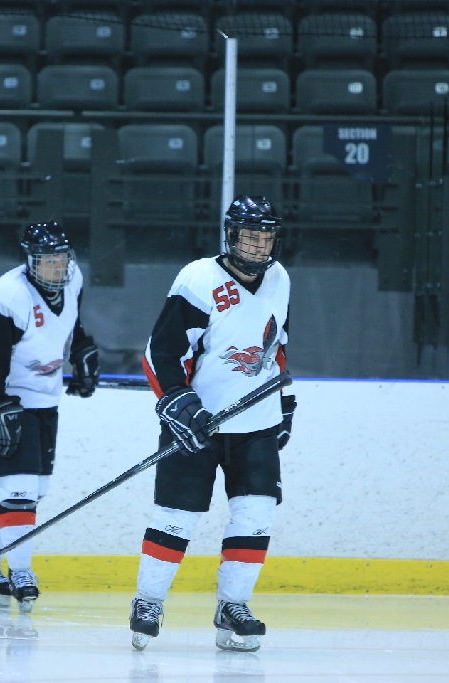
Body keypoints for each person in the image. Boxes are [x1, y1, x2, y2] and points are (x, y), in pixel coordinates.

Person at [130, 196, 297, 652]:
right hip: (197, 423)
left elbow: (277, 346)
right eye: (250, 236)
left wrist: (284, 401)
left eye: (266, 237)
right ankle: (148, 601)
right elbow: (160, 353)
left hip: (256, 425)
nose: (259, 245)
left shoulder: (280, 278)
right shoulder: (198, 279)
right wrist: (179, 403)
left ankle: (233, 606)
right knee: (177, 517)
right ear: (230, 235)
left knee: (255, 516)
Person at [0, 221, 99, 612]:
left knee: (32, 489)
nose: (57, 267)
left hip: (44, 397)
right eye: (48, 260)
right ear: (30, 261)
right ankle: (21, 571)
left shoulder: (74, 281)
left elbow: (70, 324)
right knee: (19, 490)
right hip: (1, 397)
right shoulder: (5, 297)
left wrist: (81, 351)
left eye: (62, 259)